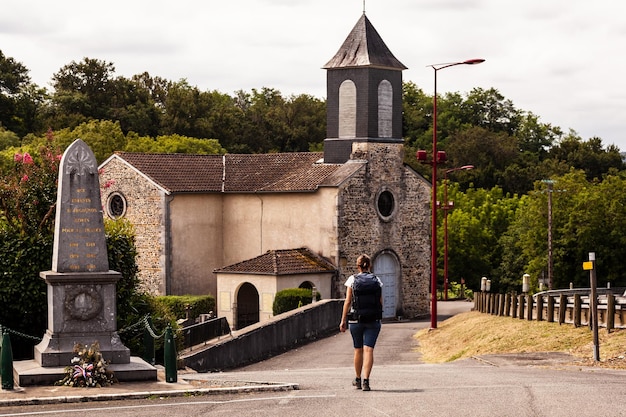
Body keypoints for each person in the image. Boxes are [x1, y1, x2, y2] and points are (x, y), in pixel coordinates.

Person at [339, 254, 383, 391]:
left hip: (355, 320)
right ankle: (366, 381)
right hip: (373, 320)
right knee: (369, 349)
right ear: (369, 265)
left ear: (358, 266)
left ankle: (357, 379)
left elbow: (347, 301)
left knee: (358, 349)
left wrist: (343, 320)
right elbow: (381, 302)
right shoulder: (377, 280)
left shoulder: (352, 279)